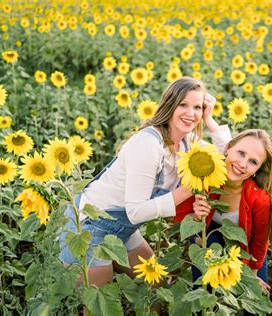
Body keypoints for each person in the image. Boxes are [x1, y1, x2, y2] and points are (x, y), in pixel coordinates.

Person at [59, 77, 231, 287]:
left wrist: (210, 121)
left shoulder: (187, 142)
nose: (191, 113)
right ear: (169, 105)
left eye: (197, 107)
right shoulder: (149, 144)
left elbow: (228, 158)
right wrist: (186, 191)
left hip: (124, 228)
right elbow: (135, 211)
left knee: (156, 285)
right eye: (183, 105)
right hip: (91, 226)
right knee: (98, 303)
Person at [174, 129, 272, 293]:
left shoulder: (259, 198)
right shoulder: (206, 174)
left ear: (258, 170)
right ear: (227, 148)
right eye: (241, 153)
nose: (243, 164)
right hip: (208, 234)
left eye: (253, 162)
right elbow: (179, 215)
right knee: (203, 288)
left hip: (245, 244)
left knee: (257, 295)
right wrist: (195, 216)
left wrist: (251, 277)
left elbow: (259, 242)